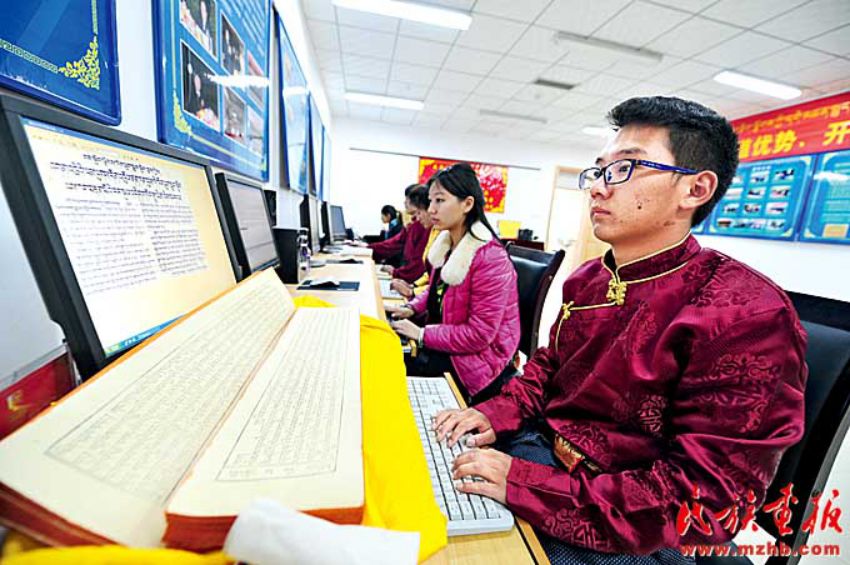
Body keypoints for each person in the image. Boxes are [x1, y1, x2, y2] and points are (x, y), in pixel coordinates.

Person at [434, 97, 807, 563]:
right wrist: (497, 412)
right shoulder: (588, 279)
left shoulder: (745, 313)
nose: (597, 188)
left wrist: (526, 483)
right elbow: (547, 368)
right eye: (599, 171)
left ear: (695, 189)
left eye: (624, 169)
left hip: (637, 525)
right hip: (544, 456)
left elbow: (700, 499)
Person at [388, 164, 521, 404]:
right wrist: (411, 308)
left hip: (477, 364)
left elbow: (479, 335)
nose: (431, 209)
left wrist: (421, 334)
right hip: (450, 346)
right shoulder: (451, 244)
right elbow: (437, 290)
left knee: (386, 370)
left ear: (467, 204)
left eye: (440, 200)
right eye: (431, 201)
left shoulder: (490, 259)